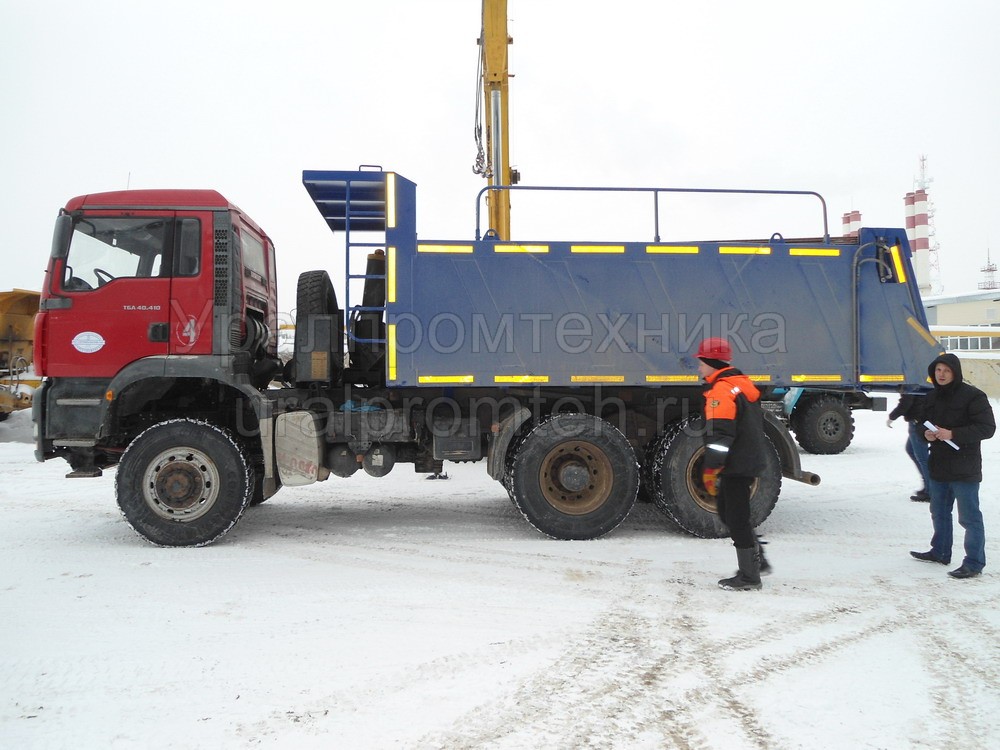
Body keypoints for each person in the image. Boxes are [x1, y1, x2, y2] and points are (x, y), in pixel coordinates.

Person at [910, 353, 995, 579]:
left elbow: (987, 428)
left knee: (969, 517)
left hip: (965, 467)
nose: (941, 374)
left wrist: (953, 434)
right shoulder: (931, 397)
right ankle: (940, 551)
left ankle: (974, 562)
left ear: (955, 372)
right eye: (938, 370)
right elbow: (920, 425)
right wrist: (926, 434)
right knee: (939, 512)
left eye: (946, 371)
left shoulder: (973, 396)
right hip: (939, 465)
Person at [695, 337, 769, 591]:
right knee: (728, 512)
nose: (699, 367)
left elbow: (720, 435)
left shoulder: (722, 391)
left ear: (712, 362)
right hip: (745, 459)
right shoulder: (740, 384)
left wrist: (711, 468)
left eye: (701, 362)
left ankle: (749, 576)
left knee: (735, 517)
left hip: (736, 464)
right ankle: (757, 560)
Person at [886, 393, 930, 501]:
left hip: (918, 421)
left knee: (922, 457)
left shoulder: (911, 385)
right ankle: (928, 485)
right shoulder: (919, 384)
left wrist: (892, 416)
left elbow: (906, 402)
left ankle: (931, 490)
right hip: (919, 420)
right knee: (910, 450)